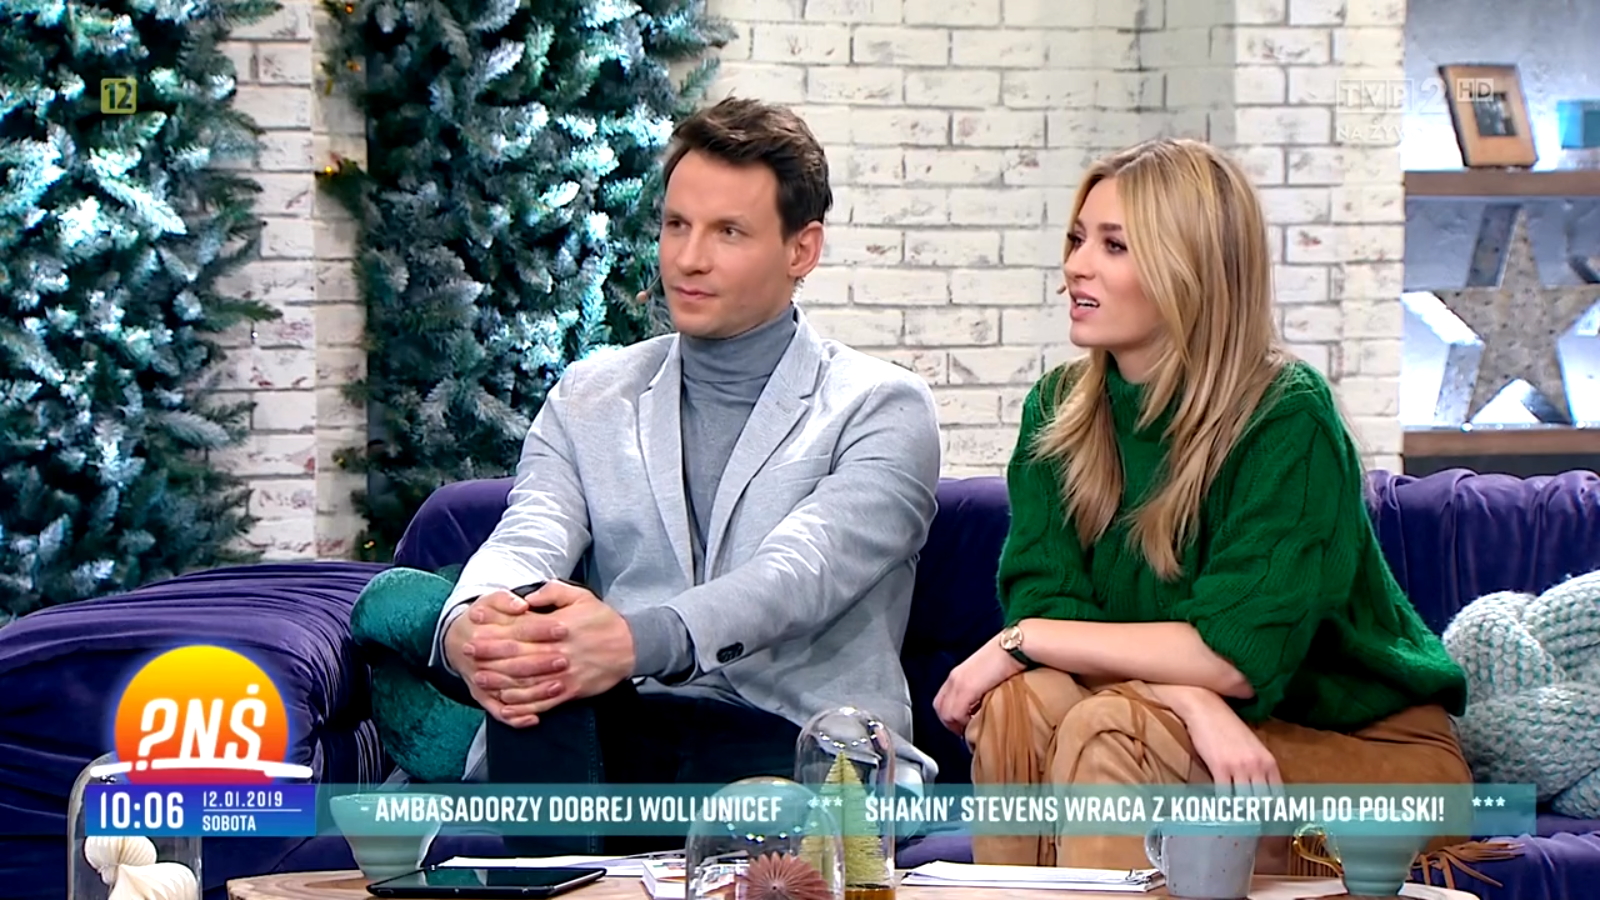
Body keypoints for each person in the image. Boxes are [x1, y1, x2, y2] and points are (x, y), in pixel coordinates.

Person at [932, 138, 1473, 871]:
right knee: (1019, 707)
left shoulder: (1286, 417)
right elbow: (1050, 608)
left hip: (1370, 752)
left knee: (1113, 730)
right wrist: (1189, 701)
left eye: (1114, 246)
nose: (1077, 266)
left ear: (1191, 268)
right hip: (1190, 723)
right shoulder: (1059, 413)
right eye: (1078, 239)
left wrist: (1022, 640)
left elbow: (1232, 654)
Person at [426, 97, 943, 856]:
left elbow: (797, 573)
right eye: (676, 225)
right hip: (625, 729)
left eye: (728, 232)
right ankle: (543, 871)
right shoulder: (589, 395)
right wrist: (471, 624)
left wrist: (634, 639)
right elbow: (528, 534)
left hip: (795, 738)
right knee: (542, 681)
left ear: (801, 250)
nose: (688, 259)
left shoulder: (882, 406)